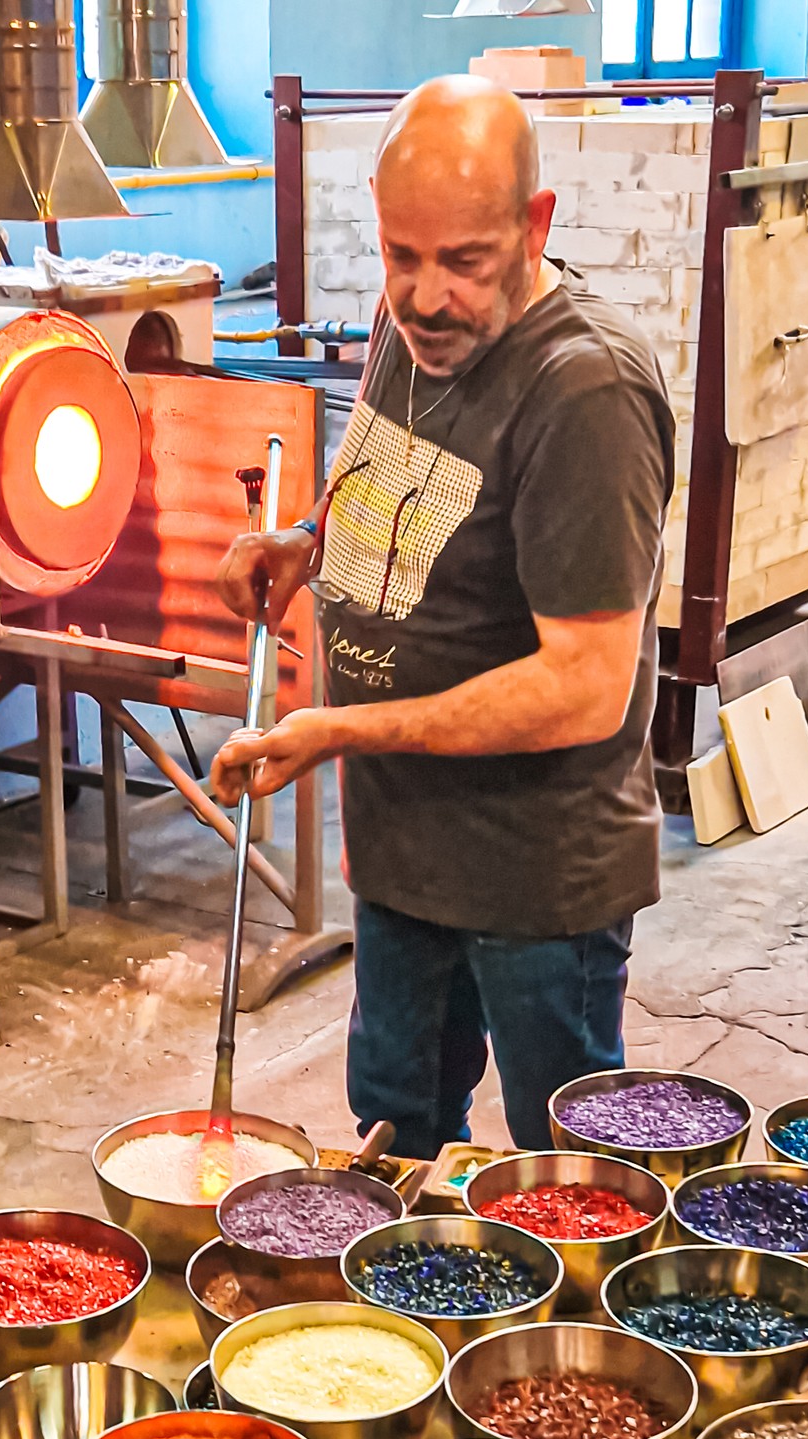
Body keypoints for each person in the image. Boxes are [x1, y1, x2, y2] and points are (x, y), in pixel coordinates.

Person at [211, 74, 674, 1160]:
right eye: (398, 254)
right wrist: (307, 541)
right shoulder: (408, 321)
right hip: (405, 850)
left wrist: (336, 731)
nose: (424, 295)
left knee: (567, 1182)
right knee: (393, 1137)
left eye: (463, 262)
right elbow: (394, 466)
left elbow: (584, 683)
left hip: (534, 875)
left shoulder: (584, 393)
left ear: (535, 225)